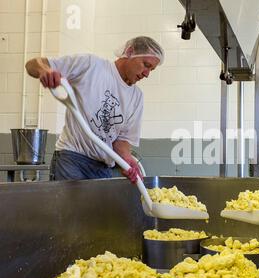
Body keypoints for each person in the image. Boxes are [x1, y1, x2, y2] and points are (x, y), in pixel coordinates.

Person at [25, 36, 164, 183]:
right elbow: (32, 64)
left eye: (152, 70)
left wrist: (127, 160)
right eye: (146, 65)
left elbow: (121, 141)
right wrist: (45, 71)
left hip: (102, 168)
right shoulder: (91, 66)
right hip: (72, 159)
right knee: (70, 207)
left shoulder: (136, 97)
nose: (147, 74)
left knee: (99, 207)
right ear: (129, 52)